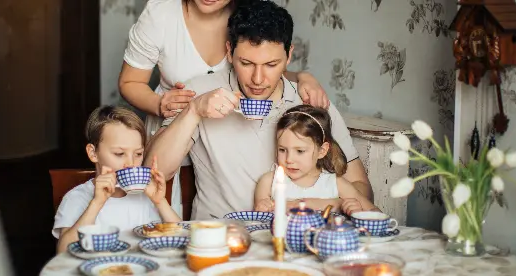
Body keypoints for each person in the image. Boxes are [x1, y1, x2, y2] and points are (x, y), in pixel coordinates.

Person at [145, 0, 372, 220]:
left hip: (296, 236)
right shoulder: (200, 91)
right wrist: (193, 111)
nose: (258, 79)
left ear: (289, 56)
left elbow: (362, 189)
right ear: (229, 52)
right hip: (221, 235)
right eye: (246, 63)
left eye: (271, 65)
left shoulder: (310, 101)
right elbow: (154, 172)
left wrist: (307, 205)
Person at [52, 106, 180, 253]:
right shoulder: (77, 198)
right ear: (93, 153)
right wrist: (97, 203)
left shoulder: (145, 198)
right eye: (119, 154)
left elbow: (182, 239)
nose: (130, 164)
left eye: (138, 154)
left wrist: (160, 202)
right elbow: (63, 253)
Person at [253, 105, 379, 215]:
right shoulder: (269, 182)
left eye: (300, 151)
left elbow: (374, 212)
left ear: (322, 151)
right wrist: (262, 207)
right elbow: (259, 221)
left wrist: (356, 209)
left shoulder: (336, 184)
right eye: (282, 150)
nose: (289, 159)